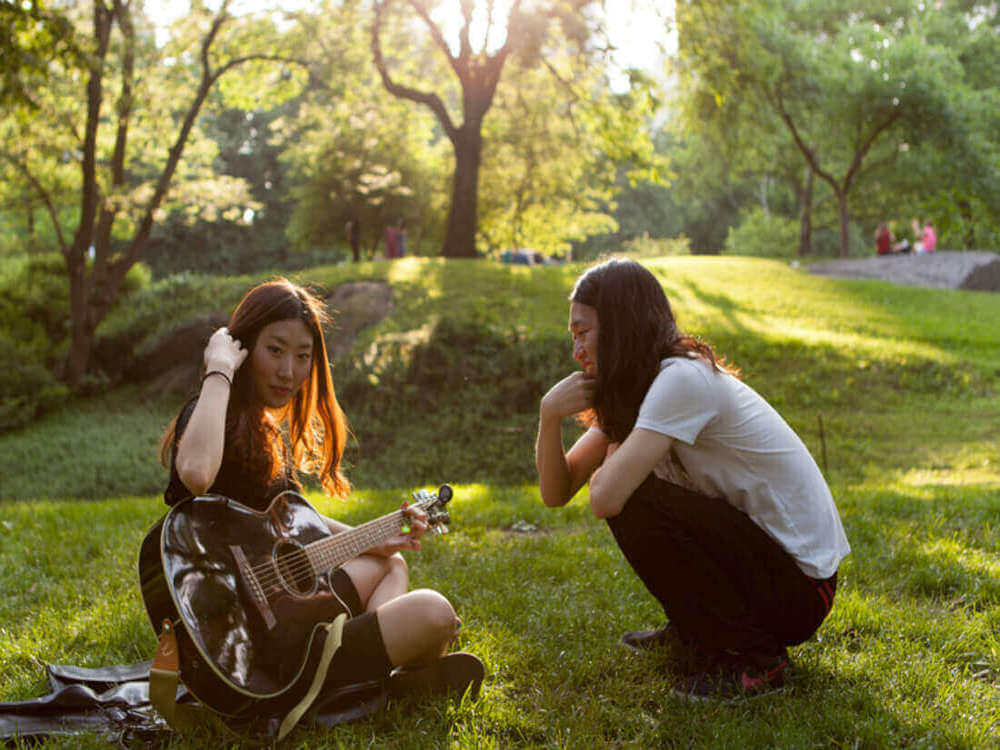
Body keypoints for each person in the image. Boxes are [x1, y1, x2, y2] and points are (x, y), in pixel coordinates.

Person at [158, 278, 483, 721]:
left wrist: (378, 536)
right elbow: (195, 475)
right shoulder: (211, 414)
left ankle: (376, 667)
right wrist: (218, 370)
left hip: (285, 615)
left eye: (302, 356)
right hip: (249, 640)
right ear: (244, 347)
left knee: (393, 565)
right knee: (435, 613)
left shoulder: (268, 433)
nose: (288, 371)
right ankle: (378, 670)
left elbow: (295, 523)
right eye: (275, 350)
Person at [535, 258, 850, 701]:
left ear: (621, 325)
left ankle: (755, 659)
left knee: (635, 494)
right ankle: (697, 631)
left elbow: (605, 498)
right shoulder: (646, 386)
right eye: (573, 337)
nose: (577, 350)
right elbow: (556, 491)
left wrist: (612, 455)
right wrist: (549, 416)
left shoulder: (681, 380)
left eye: (583, 332)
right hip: (775, 574)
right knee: (632, 487)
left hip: (802, 589)